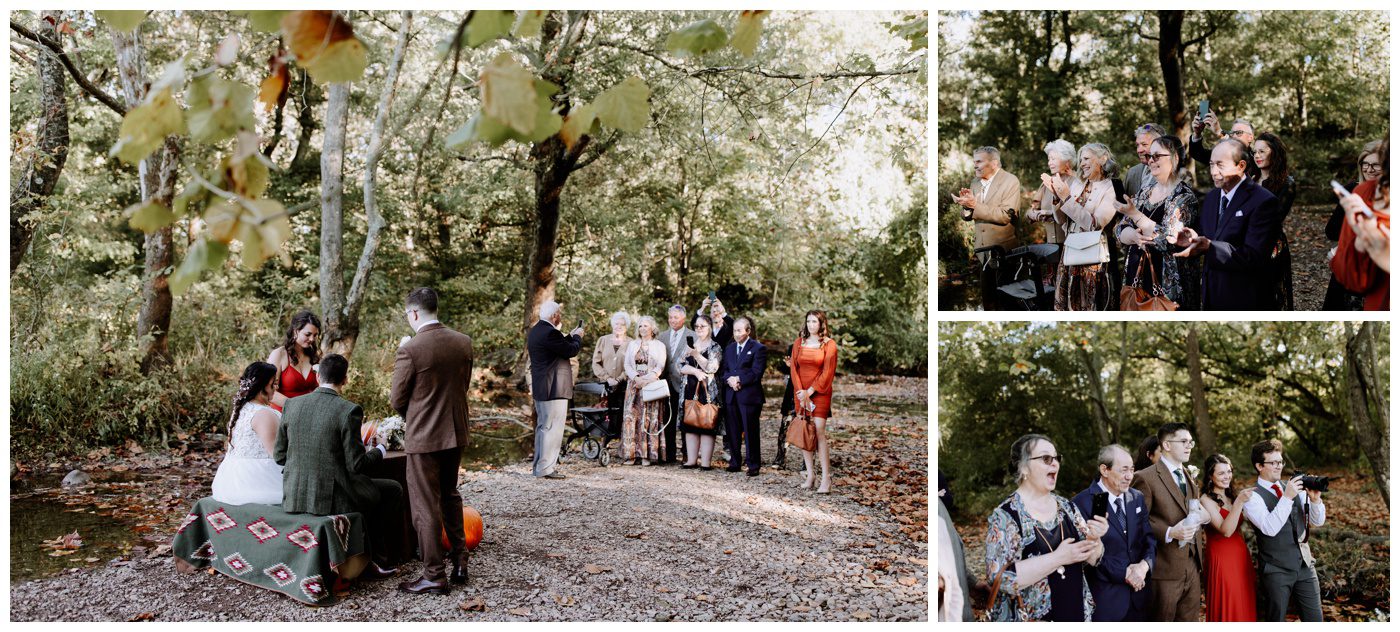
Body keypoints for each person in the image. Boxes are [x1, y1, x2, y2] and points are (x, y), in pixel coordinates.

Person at [274, 354, 400, 582]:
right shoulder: (349, 410)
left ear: (317, 375)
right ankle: (374, 561)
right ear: (345, 379)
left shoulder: (291, 405)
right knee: (392, 489)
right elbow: (356, 465)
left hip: (294, 495)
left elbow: (280, 456)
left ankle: (364, 555)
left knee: (376, 489)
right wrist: (380, 449)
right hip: (331, 499)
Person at [390, 287, 475, 593]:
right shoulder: (463, 342)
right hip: (456, 431)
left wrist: (416, 416)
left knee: (425, 505)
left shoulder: (411, 349)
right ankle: (460, 559)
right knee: (450, 495)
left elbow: (397, 398)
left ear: (413, 313)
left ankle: (433, 574)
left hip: (425, 436)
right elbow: (461, 386)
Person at [985, 434, 1107, 621]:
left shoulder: (1067, 508)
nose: (1055, 464)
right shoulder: (1005, 516)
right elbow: (999, 579)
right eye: (1046, 459)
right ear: (1023, 467)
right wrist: (1058, 557)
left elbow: (1093, 558)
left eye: (1056, 458)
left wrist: (1095, 539)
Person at [1171, 138, 1283, 310]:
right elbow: (1207, 236)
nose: (1214, 172)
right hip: (1212, 294)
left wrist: (1210, 247)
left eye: (1220, 165)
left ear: (1241, 166)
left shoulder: (1264, 202)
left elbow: (1254, 256)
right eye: (1211, 165)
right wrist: (1192, 239)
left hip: (1246, 299)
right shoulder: (1211, 198)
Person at [1070, 444, 1156, 622]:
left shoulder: (1136, 497)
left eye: (1132, 470)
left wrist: (1143, 567)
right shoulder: (1082, 503)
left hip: (1140, 598)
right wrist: (1125, 574)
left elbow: (1149, 540)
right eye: (1124, 470)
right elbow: (1085, 554)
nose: (1129, 476)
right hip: (1105, 602)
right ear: (1104, 470)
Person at [1242, 439, 1326, 622]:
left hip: (1305, 565)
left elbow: (1317, 521)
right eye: (1273, 463)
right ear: (1259, 466)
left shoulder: (1294, 486)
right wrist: (1287, 497)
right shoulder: (1251, 497)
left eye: (1280, 462)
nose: (1279, 466)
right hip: (1276, 570)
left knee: (1315, 620)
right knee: (1276, 620)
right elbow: (1269, 528)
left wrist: (1315, 501)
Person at [1130, 422, 1205, 621]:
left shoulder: (1188, 476)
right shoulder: (1144, 478)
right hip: (1164, 570)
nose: (1189, 446)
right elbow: (1137, 521)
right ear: (1167, 445)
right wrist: (1169, 532)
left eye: (1191, 442)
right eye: (1184, 441)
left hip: (1192, 567)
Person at [1117, 135, 1201, 309]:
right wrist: (1134, 236)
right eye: (1149, 157)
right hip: (1137, 277)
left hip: (1167, 285)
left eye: (1157, 156)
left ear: (1175, 158)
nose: (1150, 161)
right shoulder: (1144, 192)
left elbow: (1169, 239)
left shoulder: (1184, 197)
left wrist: (1135, 215)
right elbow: (1120, 229)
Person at [1050, 143, 1121, 311]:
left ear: (1103, 159)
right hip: (1070, 252)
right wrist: (1057, 198)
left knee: (1089, 304)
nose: (1081, 164)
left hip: (1093, 257)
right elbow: (1061, 221)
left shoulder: (1112, 188)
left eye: (1087, 158)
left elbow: (1094, 224)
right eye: (1081, 159)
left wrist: (1066, 199)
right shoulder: (1077, 184)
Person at [952, 146, 1021, 309]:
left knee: (1008, 304)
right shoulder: (975, 182)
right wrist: (967, 206)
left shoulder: (1011, 181)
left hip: (1004, 251)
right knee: (988, 303)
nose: (975, 165)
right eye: (974, 161)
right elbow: (968, 215)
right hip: (982, 253)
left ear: (994, 163)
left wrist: (975, 205)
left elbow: (1005, 216)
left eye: (979, 161)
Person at [210, 362, 283, 505]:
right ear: (264, 386)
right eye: (274, 384)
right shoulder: (264, 414)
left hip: (229, 480)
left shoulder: (243, 408)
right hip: (256, 481)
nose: (277, 388)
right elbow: (277, 454)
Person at [1323, 140, 1384, 310]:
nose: (1368, 170)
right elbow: (1331, 231)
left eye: (1376, 165)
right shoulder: (1352, 190)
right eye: (1365, 164)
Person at [526, 300, 583, 479]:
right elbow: (571, 350)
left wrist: (569, 336)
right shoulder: (550, 333)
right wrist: (578, 336)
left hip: (543, 388)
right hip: (553, 388)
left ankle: (539, 466)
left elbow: (558, 346)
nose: (561, 316)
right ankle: (547, 468)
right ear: (554, 316)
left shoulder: (537, 330)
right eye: (559, 313)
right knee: (553, 429)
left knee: (543, 428)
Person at [1196, 453, 1257, 621]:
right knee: (1228, 603)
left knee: (1243, 603)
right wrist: (1239, 504)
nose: (1227, 476)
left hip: (1240, 556)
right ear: (1210, 475)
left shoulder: (1231, 496)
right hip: (1221, 559)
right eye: (1221, 473)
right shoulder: (1206, 500)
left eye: (1229, 471)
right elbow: (1226, 530)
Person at [790, 310, 838, 493]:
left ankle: (826, 478)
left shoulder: (829, 345)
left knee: (818, 432)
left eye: (815, 322)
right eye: (808, 321)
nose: (811, 325)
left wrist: (810, 391)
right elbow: (794, 369)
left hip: (820, 392)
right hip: (800, 392)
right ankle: (810, 475)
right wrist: (801, 392)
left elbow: (828, 372)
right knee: (805, 430)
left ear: (821, 324)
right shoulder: (798, 343)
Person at [1254, 132, 1297, 310]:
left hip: (1270, 244)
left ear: (1275, 153)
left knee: (1270, 296)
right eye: (1254, 152)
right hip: (1243, 243)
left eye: (1262, 151)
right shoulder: (1250, 177)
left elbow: (1275, 217)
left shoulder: (1286, 183)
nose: (1257, 156)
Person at [720, 317, 767, 476]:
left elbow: (756, 372)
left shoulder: (758, 348)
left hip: (749, 397)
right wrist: (730, 381)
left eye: (740, 330)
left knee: (750, 431)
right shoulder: (730, 349)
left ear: (748, 331)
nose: (737, 333)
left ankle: (753, 465)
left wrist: (739, 379)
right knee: (732, 431)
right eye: (735, 330)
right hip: (731, 395)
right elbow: (724, 371)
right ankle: (735, 462)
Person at [619, 316, 667, 466]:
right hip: (634, 386)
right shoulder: (633, 344)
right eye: (640, 326)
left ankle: (646, 455)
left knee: (648, 419)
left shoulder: (659, 345)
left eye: (646, 326)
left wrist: (647, 379)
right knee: (631, 418)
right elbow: (627, 364)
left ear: (652, 328)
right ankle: (631, 455)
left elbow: (660, 366)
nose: (642, 329)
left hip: (651, 386)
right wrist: (636, 378)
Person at [678, 314, 722, 470]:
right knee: (690, 422)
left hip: (707, 390)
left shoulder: (715, 347)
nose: (699, 329)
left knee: (706, 423)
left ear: (709, 327)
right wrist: (694, 371)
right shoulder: (689, 344)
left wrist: (696, 354)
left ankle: (705, 463)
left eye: (702, 326)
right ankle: (691, 460)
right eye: (696, 326)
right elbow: (679, 366)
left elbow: (712, 368)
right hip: (689, 388)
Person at [656, 305, 694, 463]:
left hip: (685, 383)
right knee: (667, 419)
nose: (672, 320)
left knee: (686, 419)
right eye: (670, 317)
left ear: (683, 319)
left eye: (676, 317)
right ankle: (669, 455)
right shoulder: (661, 336)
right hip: (666, 383)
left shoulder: (692, 335)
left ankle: (687, 454)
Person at [265, 310, 320, 411]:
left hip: (308, 414)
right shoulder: (279, 354)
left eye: (315, 335)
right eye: (308, 334)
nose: (312, 339)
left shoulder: (314, 357)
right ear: (296, 331)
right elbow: (268, 391)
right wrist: (297, 407)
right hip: (283, 414)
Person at [1026, 139, 1079, 245]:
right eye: (1049, 159)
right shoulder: (1046, 183)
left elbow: (1080, 213)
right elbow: (1029, 211)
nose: (1050, 163)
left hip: (1073, 245)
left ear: (1066, 160)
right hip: (1050, 246)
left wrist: (1051, 213)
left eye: (1053, 159)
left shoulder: (1077, 182)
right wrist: (1035, 214)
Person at [590, 311, 632, 436]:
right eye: (616, 324)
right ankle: (604, 445)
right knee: (605, 416)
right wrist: (607, 378)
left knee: (621, 416)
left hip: (623, 386)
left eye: (622, 325)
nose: (618, 326)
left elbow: (632, 365)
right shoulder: (603, 340)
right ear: (612, 324)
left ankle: (621, 444)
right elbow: (595, 363)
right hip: (605, 386)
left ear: (626, 327)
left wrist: (619, 379)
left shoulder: (631, 343)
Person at [1190, 111, 1260, 181]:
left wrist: (1219, 132)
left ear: (1250, 137)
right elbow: (1197, 153)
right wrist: (1197, 134)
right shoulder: (1222, 154)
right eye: (1232, 133)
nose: (1234, 136)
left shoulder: (1257, 158)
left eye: (1239, 133)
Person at [1124, 124, 1166, 199]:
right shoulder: (1132, 173)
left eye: (1144, 144)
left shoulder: (1171, 173)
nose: (1139, 150)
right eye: (1137, 145)